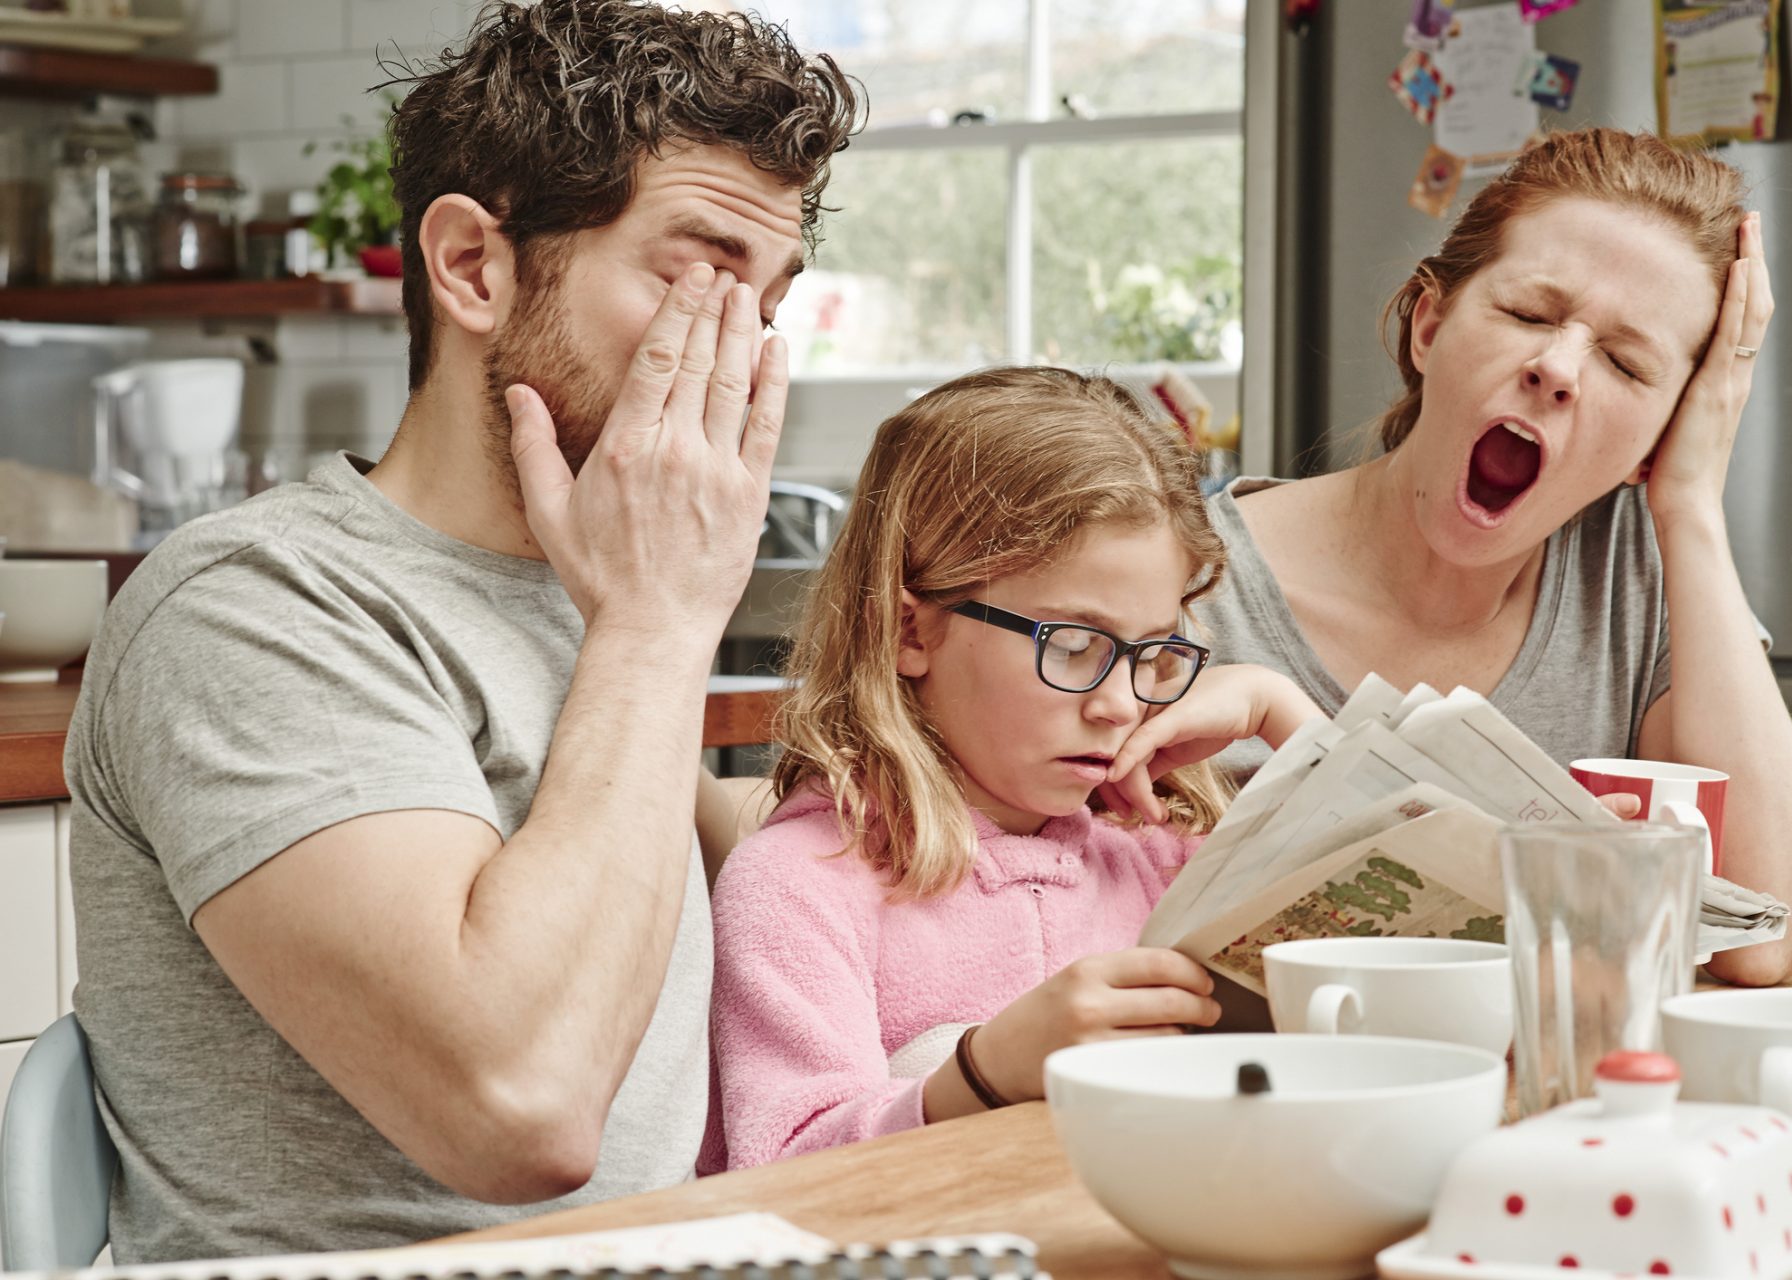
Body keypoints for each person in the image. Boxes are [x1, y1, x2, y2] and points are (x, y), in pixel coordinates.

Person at [61, 1, 859, 1261]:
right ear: (473, 267)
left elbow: (765, 890)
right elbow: (517, 1105)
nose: (743, 354)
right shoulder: (253, 606)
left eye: (767, 301)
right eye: (701, 274)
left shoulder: (587, 588)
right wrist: (656, 627)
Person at [1105, 128, 1792, 988]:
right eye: (1528, 314)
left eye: (1628, 365)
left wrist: (1692, 504)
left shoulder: (1642, 576)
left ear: (1660, 436)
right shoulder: (1180, 584)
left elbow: (1765, 935)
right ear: (1430, 324)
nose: (1558, 367)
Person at [699, 367, 1323, 1172]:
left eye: (1152, 654)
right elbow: (783, 1173)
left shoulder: (1161, 858)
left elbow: (1423, 975)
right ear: (907, 629)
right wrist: (979, 1075)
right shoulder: (798, 888)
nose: (1118, 705)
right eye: (1072, 645)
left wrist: (1283, 712)